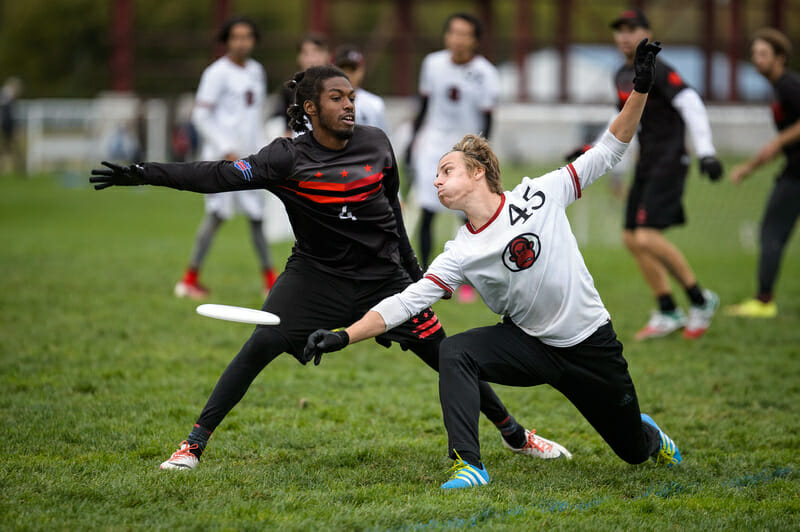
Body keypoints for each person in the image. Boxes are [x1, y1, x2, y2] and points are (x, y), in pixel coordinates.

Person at [90, 65, 570, 471]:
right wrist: (143, 172)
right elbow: (216, 175)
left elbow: (393, 216)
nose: (349, 105)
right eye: (336, 97)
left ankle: (514, 434)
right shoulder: (286, 157)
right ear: (310, 108)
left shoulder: (378, 144)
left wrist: (415, 275)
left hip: (384, 277)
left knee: (445, 354)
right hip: (315, 277)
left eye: (352, 97)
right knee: (260, 346)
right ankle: (193, 445)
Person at [304, 40, 681, 490]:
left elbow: (610, 148)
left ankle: (649, 435)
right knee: (455, 351)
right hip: (528, 345)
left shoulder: (539, 193)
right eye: (436, 175)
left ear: (478, 172)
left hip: (588, 344)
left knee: (633, 452)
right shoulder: (459, 251)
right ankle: (470, 464)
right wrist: (345, 335)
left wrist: (639, 86)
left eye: (446, 171)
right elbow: (406, 302)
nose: (437, 180)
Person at [609, 9, 722, 340]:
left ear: (647, 32)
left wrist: (706, 151)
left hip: (670, 162)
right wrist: (596, 152)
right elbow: (625, 123)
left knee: (646, 236)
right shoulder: (619, 74)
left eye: (632, 29)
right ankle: (669, 309)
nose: (625, 36)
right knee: (631, 237)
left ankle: (701, 300)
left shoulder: (660, 69)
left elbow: (691, 103)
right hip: (646, 164)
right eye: (620, 30)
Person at [174, 16, 277, 299]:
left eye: (247, 36)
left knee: (257, 217)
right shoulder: (216, 73)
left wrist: (261, 151)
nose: (242, 42)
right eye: (236, 37)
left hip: (250, 159)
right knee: (216, 216)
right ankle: (189, 279)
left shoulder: (257, 71)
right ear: (227, 41)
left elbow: (255, 117)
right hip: (221, 160)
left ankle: (270, 280)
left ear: (254, 40)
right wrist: (224, 148)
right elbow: (201, 116)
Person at [406, 13, 498, 303]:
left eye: (464, 34)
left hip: (466, 151)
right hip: (433, 145)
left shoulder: (486, 73)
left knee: (467, 215)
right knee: (427, 209)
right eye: (453, 33)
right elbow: (423, 105)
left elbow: (488, 119)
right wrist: (412, 141)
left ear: (475, 40)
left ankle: (468, 280)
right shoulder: (432, 64)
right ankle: (421, 275)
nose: (457, 39)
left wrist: (482, 157)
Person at [727, 28, 800, 318]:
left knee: (771, 233)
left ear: (780, 58)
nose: (756, 60)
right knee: (772, 233)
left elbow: (782, 141)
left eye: (763, 54)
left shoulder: (788, 85)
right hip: (793, 171)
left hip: (796, 176)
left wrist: (777, 142)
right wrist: (749, 167)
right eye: (754, 54)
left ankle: (763, 301)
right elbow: (782, 145)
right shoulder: (781, 89)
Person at [275, 34, 330, 137]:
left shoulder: (338, 85)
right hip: (300, 148)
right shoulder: (290, 88)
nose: (311, 59)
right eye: (306, 53)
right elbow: (287, 127)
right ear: (299, 57)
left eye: (316, 52)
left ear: (327, 55)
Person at [333, 44, 388, 133]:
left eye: (352, 70)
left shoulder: (375, 104)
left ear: (362, 71)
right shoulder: (322, 103)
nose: (347, 75)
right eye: (342, 70)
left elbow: (383, 141)